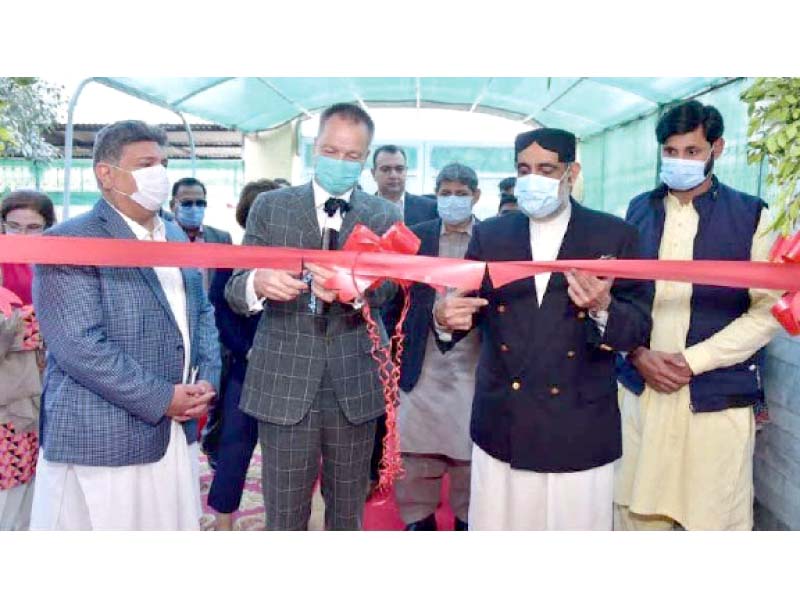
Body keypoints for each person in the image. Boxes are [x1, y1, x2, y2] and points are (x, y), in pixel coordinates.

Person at [434, 128, 651, 530]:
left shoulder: (613, 234)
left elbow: (638, 329)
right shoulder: (492, 235)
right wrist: (444, 319)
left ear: (572, 173)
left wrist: (603, 307)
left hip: (578, 424)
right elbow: (466, 310)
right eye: (524, 169)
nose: (533, 179)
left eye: (546, 169)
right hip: (504, 421)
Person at [29, 120, 221, 530]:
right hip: (103, 438)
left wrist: (207, 378)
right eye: (146, 163)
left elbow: (201, 313)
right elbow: (79, 345)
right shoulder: (68, 242)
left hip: (173, 432)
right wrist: (160, 397)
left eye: (163, 163)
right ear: (106, 173)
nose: (160, 174)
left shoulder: (173, 234)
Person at [225, 103, 402, 531]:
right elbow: (235, 286)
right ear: (314, 147)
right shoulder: (271, 207)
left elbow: (394, 289)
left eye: (352, 156)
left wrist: (356, 290)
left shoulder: (384, 215)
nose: (339, 162)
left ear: (366, 158)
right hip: (284, 378)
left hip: (355, 378)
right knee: (283, 513)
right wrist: (259, 283)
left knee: (347, 512)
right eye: (330, 150)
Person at [614, 100, 783, 531]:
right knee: (635, 515)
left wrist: (693, 361)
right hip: (642, 392)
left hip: (713, 398)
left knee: (713, 518)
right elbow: (617, 298)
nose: (679, 161)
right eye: (670, 152)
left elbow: (768, 312)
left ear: (717, 149)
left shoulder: (752, 216)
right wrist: (637, 354)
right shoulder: (636, 211)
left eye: (691, 151)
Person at [390, 163, 482, 531]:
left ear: (476, 196)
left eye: (461, 193)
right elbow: (394, 297)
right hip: (422, 357)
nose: (453, 200)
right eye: (445, 193)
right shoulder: (415, 237)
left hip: (474, 359)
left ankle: (467, 518)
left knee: (470, 449)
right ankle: (418, 520)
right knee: (415, 448)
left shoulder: (493, 238)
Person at [206, 178, 279, 530]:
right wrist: (247, 350)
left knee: (288, 453)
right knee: (234, 447)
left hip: (289, 372)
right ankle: (223, 522)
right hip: (246, 368)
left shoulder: (297, 259)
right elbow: (220, 314)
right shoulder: (231, 259)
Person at [0, 190, 54, 530]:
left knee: (34, 488)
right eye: (14, 226)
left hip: (45, 394)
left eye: (34, 227)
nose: (22, 236)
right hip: (7, 399)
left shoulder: (56, 266)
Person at [169, 177, 232, 291]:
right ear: (172, 205)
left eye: (200, 203)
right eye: (187, 203)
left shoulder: (221, 239)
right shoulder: (160, 238)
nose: (194, 208)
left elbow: (228, 284)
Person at [371, 144, 437, 226]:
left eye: (399, 169)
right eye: (385, 169)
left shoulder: (430, 209)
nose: (393, 175)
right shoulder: (361, 210)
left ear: (406, 171)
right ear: (373, 173)